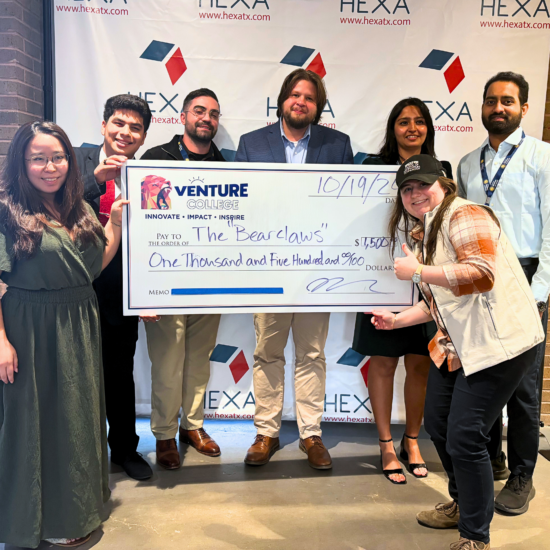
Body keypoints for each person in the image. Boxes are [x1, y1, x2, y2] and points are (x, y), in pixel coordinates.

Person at [371, 154, 543, 550]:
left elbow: (481, 273)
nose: (415, 194)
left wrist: (416, 271)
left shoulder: (464, 215)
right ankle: (464, 505)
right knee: (440, 423)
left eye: (423, 185)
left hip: (502, 345)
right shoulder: (426, 230)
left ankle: (475, 536)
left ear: (445, 184)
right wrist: (397, 320)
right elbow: (443, 299)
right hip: (463, 345)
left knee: (465, 435)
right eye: (408, 188)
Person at [0, 121, 127, 548]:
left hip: (79, 323)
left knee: (76, 418)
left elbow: (89, 268)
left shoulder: (77, 207)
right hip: (30, 327)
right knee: (35, 422)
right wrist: (0, 341)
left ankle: (75, 511)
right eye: (38, 158)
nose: (50, 167)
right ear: (22, 161)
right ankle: (36, 520)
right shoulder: (7, 209)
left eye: (58, 157)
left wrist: (116, 227)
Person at [235, 68, 354, 469]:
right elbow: (241, 206)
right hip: (268, 269)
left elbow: (347, 209)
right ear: (283, 100)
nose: (300, 101)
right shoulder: (251, 144)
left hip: (315, 272)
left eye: (309, 97)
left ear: (317, 107)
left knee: (312, 353)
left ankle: (311, 433)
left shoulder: (337, 145)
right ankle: (266, 432)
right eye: (295, 95)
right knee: (268, 352)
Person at [457, 71, 550, 514]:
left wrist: (539, 291)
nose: (498, 108)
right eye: (491, 100)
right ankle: (491, 460)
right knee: (482, 372)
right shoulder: (467, 162)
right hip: (479, 279)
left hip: (525, 280)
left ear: (524, 108)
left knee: (524, 388)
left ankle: (522, 477)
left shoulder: (541, 157)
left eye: (508, 102)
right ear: (482, 106)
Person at [352, 97, 453, 484]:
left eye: (419, 121)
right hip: (378, 282)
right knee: (381, 362)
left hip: (426, 283)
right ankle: (385, 445)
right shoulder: (371, 169)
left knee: (420, 362)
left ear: (429, 127)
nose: (412, 128)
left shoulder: (441, 171)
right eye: (403, 121)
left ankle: (412, 440)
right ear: (392, 128)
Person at [139, 88, 224, 470]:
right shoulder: (155, 159)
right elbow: (141, 228)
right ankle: (163, 434)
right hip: (166, 281)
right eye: (200, 111)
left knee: (199, 360)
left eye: (214, 114)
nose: (207, 118)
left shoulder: (227, 164)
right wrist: (143, 289)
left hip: (210, 281)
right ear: (183, 116)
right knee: (168, 361)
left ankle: (193, 426)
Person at [74, 94, 153, 481]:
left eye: (135, 128)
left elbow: (154, 239)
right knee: (73, 373)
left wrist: (152, 291)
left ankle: (124, 449)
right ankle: (77, 452)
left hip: (119, 291)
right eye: (119, 123)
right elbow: (51, 202)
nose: (125, 132)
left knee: (119, 374)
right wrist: (96, 180)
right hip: (69, 287)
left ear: (142, 139)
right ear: (103, 126)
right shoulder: (72, 160)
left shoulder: (148, 177)